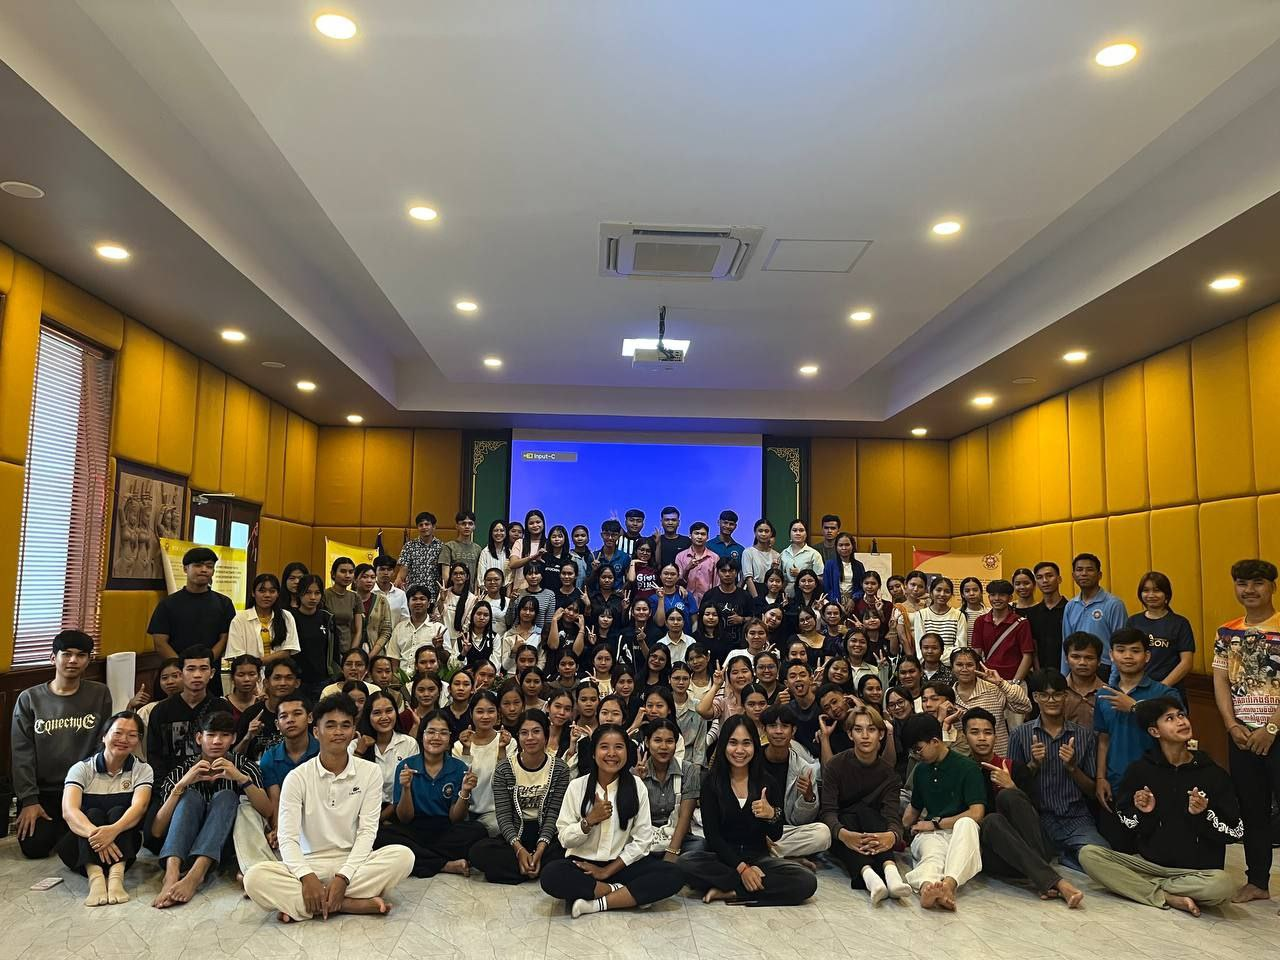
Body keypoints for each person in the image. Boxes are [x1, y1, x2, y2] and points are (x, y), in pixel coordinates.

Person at [243, 694, 416, 921]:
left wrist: (343, 877)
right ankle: (347, 904)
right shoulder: (297, 777)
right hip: (309, 861)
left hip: (353, 861)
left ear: (353, 731)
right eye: (331, 725)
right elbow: (287, 838)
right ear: (316, 731)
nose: (338, 732)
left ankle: (310, 904)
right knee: (254, 878)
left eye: (345, 725)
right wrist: (306, 876)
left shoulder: (370, 772)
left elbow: (367, 832)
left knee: (404, 857)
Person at [1079, 698, 1243, 915]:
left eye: (1181, 715)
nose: (1181, 721)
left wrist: (1204, 814)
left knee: (1223, 885)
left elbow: (1235, 831)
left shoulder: (1213, 774)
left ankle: (1144, 888)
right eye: (1170, 718)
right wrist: (1143, 812)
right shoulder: (1140, 770)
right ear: (1154, 732)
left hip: (1195, 873)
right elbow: (1125, 824)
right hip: (1149, 866)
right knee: (1089, 855)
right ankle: (1167, 896)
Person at [541, 724, 685, 916]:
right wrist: (588, 821)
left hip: (621, 865)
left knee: (673, 874)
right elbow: (565, 839)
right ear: (593, 753)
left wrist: (606, 871)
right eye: (604, 747)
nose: (611, 754)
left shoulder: (637, 786)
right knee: (551, 875)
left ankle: (596, 903)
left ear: (627, 752)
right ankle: (620, 892)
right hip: (583, 865)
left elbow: (642, 841)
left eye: (618, 747)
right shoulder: (577, 786)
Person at [678, 715, 818, 905]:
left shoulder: (768, 782)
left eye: (746, 743)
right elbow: (713, 836)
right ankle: (748, 885)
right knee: (685, 863)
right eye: (733, 743)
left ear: (755, 746)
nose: (739, 750)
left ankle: (733, 891)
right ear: (723, 745)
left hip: (758, 858)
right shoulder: (712, 783)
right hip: (722, 859)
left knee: (806, 881)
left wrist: (771, 815)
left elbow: (775, 835)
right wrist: (743, 869)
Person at [962, 707, 1084, 908]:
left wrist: (1011, 786)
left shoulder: (1015, 767)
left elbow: (1034, 814)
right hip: (995, 855)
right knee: (991, 821)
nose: (982, 738)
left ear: (996, 736)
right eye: (975, 732)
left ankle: (1043, 878)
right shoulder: (962, 770)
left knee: (1009, 795)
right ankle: (1051, 879)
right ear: (965, 736)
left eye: (988, 732)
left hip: (1030, 847)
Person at [1210, 557, 1280, 905]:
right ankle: (1257, 882)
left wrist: (1271, 727)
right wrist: (1230, 724)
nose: (1249, 590)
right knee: (1252, 810)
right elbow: (1221, 681)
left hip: (1276, 733)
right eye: (1242, 583)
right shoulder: (1227, 632)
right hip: (1241, 735)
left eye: (1257, 583)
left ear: (1272, 587)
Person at [149, 711, 270, 908]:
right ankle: (171, 875)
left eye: (224, 735)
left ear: (234, 738)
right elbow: (156, 830)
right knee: (189, 796)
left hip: (223, 848)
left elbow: (267, 811)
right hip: (184, 844)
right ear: (199, 738)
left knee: (227, 796)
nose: (217, 741)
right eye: (211, 735)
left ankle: (197, 874)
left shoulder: (243, 766)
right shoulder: (183, 770)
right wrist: (181, 786)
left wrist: (240, 778)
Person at [11, 629, 114, 859]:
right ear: (53, 658)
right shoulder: (29, 698)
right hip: (44, 791)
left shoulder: (100, 694)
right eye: (66, 654)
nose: (73, 660)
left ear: (88, 660)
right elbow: (21, 753)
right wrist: (29, 800)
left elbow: (102, 744)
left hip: (84, 788)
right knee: (35, 848)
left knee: (84, 845)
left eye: (81, 655)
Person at [1009, 670, 1108, 870]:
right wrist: (1033, 765)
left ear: (1066, 696)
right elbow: (1011, 788)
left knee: (1103, 859)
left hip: (1076, 819)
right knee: (1024, 861)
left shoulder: (1085, 736)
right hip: (1037, 820)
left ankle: (1068, 856)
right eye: (1044, 695)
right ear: (1035, 697)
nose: (1051, 700)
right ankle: (1066, 855)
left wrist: (1072, 768)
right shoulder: (1020, 734)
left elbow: (1092, 791)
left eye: (1057, 694)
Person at [59, 710, 153, 906]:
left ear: (138, 740)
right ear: (104, 736)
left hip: (123, 849)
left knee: (119, 811)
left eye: (132, 735)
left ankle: (116, 878)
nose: (124, 739)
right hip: (79, 847)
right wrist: (100, 836)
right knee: (92, 814)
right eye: (117, 733)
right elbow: (69, 811)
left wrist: (113, 831)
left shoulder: (142, 769)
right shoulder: (82, 769)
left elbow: (139, 807)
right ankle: (96, 879)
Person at [819, 704, 910, 903]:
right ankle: (871, 876)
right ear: (850, 735)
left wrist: (892, 836)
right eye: (858, 730)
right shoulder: (835, 765)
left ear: (881, 734)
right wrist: (844, 834)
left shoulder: (889, 774)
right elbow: (828, 812)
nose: (865, 736)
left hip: (875, 829)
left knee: (868, 813)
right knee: (850, 815)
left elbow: (892, 816)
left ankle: (890, 872)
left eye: (871, 729)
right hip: (843, 832)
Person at [471, 709, 571, 884]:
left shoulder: (560, 769)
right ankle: (534, 868)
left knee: (569, 851)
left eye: (536, 731)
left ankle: (523, 868)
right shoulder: (504, 769)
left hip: (547, 837)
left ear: (546, 734)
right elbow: (503, 816)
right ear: (518, 737)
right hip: (516, 835)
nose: (530, 738)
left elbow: (553, 815)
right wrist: (519, 850)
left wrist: (540, 849)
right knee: (478, 851)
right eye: (524, 733)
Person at [1094, 629, 1181, 828]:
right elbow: (1103, 739)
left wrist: (1135, 708)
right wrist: (1100, 777)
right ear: (1111, 655)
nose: (1127, 656)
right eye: (1121, 650)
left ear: (1147, 656)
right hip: (1116, 784)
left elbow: (1176, 734)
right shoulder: (1103, 695)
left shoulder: (1166, 694)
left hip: (1157, 784)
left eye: (1135, 651)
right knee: (1116, 843)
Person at [899, 712, 985, 911]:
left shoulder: (968, 768)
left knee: (967, 824)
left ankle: (948, 885)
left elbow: (976, 813)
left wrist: (936, 823)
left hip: (958, 833)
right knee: (931, 854)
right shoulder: (921, 770)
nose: (916, 755)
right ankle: (928, 888)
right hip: (931, 834)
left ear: (935, 741)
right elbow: (913, 810)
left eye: (918, 749)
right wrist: (896, 831)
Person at [235, 693, 319, 874]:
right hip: (285, 814)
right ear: (277, 724)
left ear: (310, 718)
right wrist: (278, 829)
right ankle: (257, 868)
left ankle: (284, 868)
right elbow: (275, 798)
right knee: (245, 809)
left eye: (297, 714)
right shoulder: (270, 756)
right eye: (284, 716)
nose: (290, 720)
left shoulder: (323, 751)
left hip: (316, 815)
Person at [148, 546, 236, 694]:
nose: (204, 570)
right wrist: (183, 668)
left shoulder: (224, 603)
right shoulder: (168, 604)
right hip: (176, 676)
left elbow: (225, 638)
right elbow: (160, 642)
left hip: (210, 676)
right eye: (198, 565)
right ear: (185, 569)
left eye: (209, 566)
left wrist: (204, 665)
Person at [145, 646, 233, 791]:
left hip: (215, 785)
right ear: (181, 673)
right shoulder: (161, 711)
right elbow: (154, 755)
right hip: (171, 785)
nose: (197, 675)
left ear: (212, 673)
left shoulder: (221, 708)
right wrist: (164, 788)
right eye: (191, 669)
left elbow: (229, 750)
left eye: (203, 669)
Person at [759, 704, 832, 861]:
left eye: (785, 726)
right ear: (764, 729)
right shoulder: (752, 761)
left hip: (785, 831)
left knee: (823, 834)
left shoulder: (804, 769)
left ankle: (767, 853)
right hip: (754, 827)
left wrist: (808, 798)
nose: (778, 731)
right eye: (772, 726)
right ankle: (781, 855)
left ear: (793, 731)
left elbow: (798, 821)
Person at [950, 647, 1030, 756]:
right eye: (959, 665)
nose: (964, 669)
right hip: (964, 760)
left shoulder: (994, 689)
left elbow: (1025, 707)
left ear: (977, 667)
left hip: (999, 757)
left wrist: (1001, 683)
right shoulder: (948, 697)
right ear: (952, 668)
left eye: (969, 665)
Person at [1126, 571, 1195, 689]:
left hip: (1169, 689)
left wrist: (1161, 687)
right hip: (1137, 688)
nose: (1151, 595)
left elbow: (1186, 663)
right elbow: (1127, 655)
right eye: (1146, 590)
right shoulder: (1133, 622)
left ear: (1166, 594)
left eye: (1157, 590)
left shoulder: (1180, 623)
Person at [1060, 553, 1127, 675]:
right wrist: (1064, 677)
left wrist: (1114, 679)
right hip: (1077, 667)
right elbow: (1066, 644)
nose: (1084, 573)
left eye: (1089, 569)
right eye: (1079, 570)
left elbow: (1121, 645)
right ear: (1073, 576)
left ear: (1099, 575)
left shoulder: (1114, 604)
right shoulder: (1070, 605)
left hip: (1104, 667)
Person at [235, 657, 302, 759]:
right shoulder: (251, 714)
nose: (283, 683)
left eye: (289, 678)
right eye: (277, 678)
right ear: (266, 683)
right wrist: (248, 737)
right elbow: (234, 756)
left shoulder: (304, 714)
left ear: (297, 683)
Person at [969, 579, 1034, 683]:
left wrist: (1015, 683)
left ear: (1010, 598)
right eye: (993, 595)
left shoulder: (1021, 623)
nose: (997, 598)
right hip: (988, 679)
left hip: (1012, 680)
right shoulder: (980, 621)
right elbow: (976, 654)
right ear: (988, 597)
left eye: (1002, 595)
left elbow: (1027, 656)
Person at [291, 574, 342, 703]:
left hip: (323, 680)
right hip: (297, 680)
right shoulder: (290, 617)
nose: (313, 597)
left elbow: (335, 651)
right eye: (308, 592)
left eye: (317, 593)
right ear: (299, 593)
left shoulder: (327, 618)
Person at [226, 573, 300, 663]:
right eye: (262, 591)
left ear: (277, 594)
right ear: (253, 593)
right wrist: (255, 665)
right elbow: (237, 655)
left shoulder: (286, 616)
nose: (267, 595)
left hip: (278, 671)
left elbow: (287, 651)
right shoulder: (240, 619)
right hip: (249, 671)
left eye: (272, 591)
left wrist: (258, 662)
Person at [387, 585, 446, 678]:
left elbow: (447, 660)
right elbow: (394, 657)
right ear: (408, 603)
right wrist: (396, 678)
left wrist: (439, 648)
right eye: (414, 599)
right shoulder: (399, 628)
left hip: (429, 679)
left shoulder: (439, 628)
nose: (418, 602)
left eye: (422, 599)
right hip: (402, 680)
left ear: (429, 603)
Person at [911, 576, 967, 661]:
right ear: (931, 592)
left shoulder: (959, 615)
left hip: (952, 664)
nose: (942, 594)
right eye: (938, 590)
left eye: (947, 591)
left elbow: (961, 646)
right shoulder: (921, 614)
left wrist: (939, 659)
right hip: (927, 664)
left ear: (951, 595)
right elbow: (920, 647)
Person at [1026, 561, 1068, 672]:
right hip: (1042, 673)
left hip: (1067, 671)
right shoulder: (1032, 612)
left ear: (1059, 579)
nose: (1045, 581)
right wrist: (1038, 672)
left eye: (1049, 576)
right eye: (1039, 577)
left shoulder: (1070, 609)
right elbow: (1033, 647)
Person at [396, 510, 443, 601]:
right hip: (413, 595)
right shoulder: (409, 546)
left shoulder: (441, 547)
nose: (424, 527)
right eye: (421, 525)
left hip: (433, 595)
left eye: (427, 524)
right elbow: (403, 571)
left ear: (433, 527)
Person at [1063, 632, 1107, 729]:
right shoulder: (1058, 692)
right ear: (1066, 659)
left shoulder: (1108, 694)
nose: (1082, 662)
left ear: (1099, 661)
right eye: (1075, 657)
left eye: (1089, 658)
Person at [323, 557, 364, 655]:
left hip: (348, 648)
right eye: (343, 571)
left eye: (351, 572)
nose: (347, 575)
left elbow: (358, 630)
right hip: (328, 648)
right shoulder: (324, 595)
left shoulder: (355, 597)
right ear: (333, 574)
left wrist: (351, 653)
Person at [354, 563, 394, 656]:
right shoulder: (349, 599)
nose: (369, 581)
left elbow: (386, 631)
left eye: (372, 577)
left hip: (376, 653)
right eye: (365, 577)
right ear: (355, 579)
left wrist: (371, 655)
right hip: (350, 651)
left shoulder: (382, 600)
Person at [675, 521, 718, 604]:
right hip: (685, 600)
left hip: (708, 602)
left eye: (703, 534)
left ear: (708, 537)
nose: (699, 537)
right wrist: (687, 569)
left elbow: (716, 583)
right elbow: (676, 582)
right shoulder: (680, 556)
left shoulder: (714, 557)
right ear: (690, 536)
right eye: (696, 533)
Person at [822, 532, 865, 612]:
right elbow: (827, 588)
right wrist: (837, 604)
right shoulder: (829, 564)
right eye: (840, 545)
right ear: (836, 547)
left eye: (847, 545)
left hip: (854, 604)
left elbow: (862, 588)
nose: (844, 548)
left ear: (852, 546)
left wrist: (853, 599)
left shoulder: (859, 565)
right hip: (834, 605)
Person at [779, 519, 824, 594]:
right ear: (790, 533)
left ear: (806, 534)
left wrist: (801, 574)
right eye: (794, 530)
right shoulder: (783, 553)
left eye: (801, 530)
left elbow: (821, 579)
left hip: (807, 593)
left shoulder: (814, 554)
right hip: (787, 593)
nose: (798, 533)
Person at [741, 518, 780, 598]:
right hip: (754, 590)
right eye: (760, 531)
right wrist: (756, 598)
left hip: (771, 591)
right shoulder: (748, 552)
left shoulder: (776, 555)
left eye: (766, 531)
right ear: (755, 532)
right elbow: (748, 579)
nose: (763, 534)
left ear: (771, 534)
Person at [441, 510, 482, 584]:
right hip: (453, 589)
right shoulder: (448, 547)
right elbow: (445, 576)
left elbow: (478, 575)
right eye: (463, 523)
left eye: (470, 524)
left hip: (471, 590)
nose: (467, 526)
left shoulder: (478, 549)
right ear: (457, 526)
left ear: (474, 526)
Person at [372, 554, 410, 628]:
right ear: (375, 571)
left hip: (396, 634)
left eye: (389, 569)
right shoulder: (370, 592)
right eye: (382, 569)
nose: (386, 573)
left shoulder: (400, 594)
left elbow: (405, 620)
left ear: (394, 572)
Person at [652, 505, 692, 570]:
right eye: (667, 520)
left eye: (673, 520)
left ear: (678, 522)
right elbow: (654, 564)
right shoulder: (654, 540)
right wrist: (657, 543)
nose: (670, 523)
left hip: (682, 576)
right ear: (661, 522)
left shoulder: (687, 541)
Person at [478, 520, 511, 588]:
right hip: (488, 589)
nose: (499, 533)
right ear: (491, 533)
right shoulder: (485, 552)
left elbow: (510, 576)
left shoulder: (510, 552)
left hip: (505, 589)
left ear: (506, 533)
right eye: (496, 530)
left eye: (502, 530)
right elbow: (481, 575)